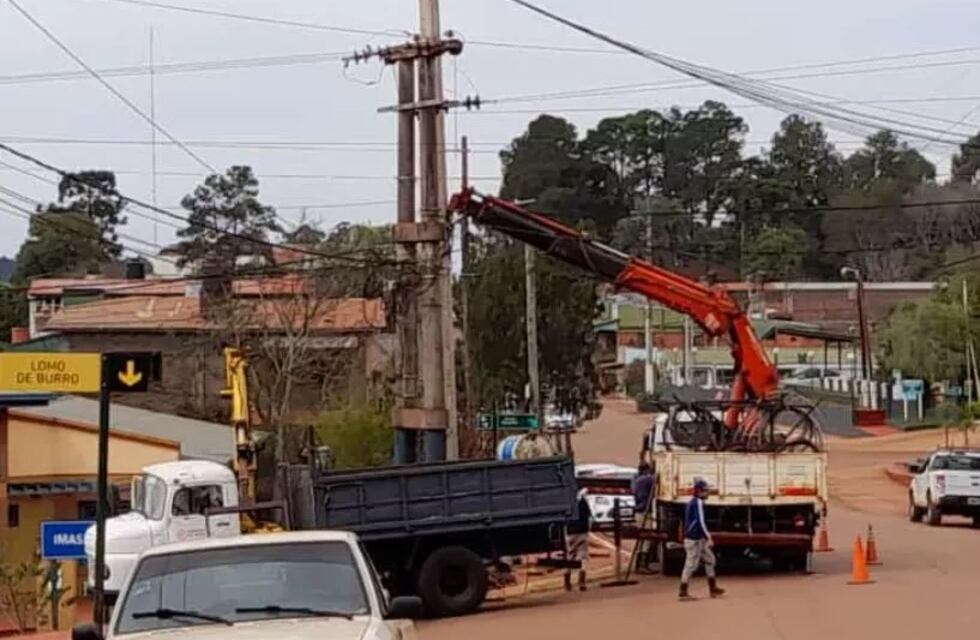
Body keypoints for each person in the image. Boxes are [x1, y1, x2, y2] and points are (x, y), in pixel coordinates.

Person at [679, 478, 725, 600]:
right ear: (699, 491)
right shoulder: (698, 502)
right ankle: (683, 592)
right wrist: (708, 537)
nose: (707, 493)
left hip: (697, 538)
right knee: (690, 565)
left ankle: (713, 588)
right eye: (705, 490)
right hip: (694, 539)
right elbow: (701, 522)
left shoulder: (692, 502)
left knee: (710, 560)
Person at [564, 487, 592, 592]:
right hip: (582, 532)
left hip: (570, 532)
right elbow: (589, 517)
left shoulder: (568, 501)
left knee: (570, 556)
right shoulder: (583, 503)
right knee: (582, 557)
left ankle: (567, 582)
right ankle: (581, 582)